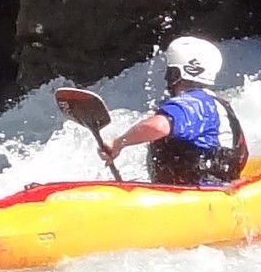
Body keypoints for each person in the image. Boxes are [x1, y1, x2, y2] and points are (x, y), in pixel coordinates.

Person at [102, 36, 248, 186]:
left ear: (177, 75)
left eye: (170, 71)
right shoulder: (212, 103)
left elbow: (157, 126)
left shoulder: (193, 103)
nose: (166, 78)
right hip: (208, 190)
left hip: (198, 195)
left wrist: (119, 143)